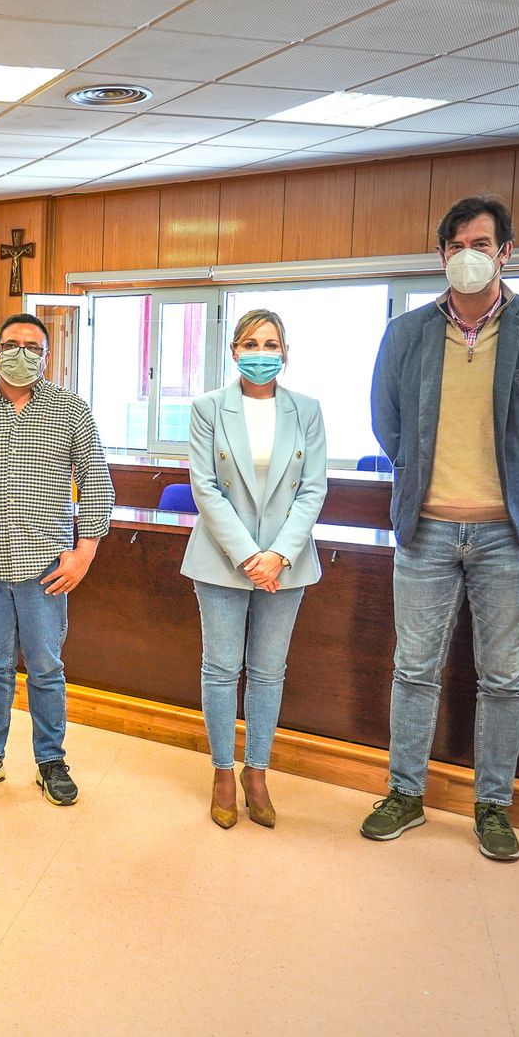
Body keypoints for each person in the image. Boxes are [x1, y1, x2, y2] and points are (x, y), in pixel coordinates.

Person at [363, 196, 519, 862]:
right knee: (413, 668)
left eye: (483, 242)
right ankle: (405, 792)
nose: (471, 253)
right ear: (441, 256)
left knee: (503, 677)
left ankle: (493, 805)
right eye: (458, 243)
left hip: (508, 534)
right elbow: (387, 416)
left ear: (506, 252)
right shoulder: (407, 334)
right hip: (427, 528)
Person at [0, 312, 114, 806]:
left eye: (33, 348)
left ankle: (50, 759)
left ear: (47, 357)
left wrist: (84, 556)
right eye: (12, 345)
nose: (21, 354)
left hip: (47, 570)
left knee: (46, 668)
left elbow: (97, 484)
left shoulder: (72, 410)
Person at [181, 309, 328, 829]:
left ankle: (257, 772)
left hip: (286, 565)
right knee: (221, 672)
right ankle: (224, 771)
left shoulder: (306, 410)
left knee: (268, 673)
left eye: (270, 343)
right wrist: (249, 556)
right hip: (222, 560)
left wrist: (278, 556)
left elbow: (313, 489)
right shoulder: (208, 408)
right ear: (234, 351)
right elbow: (206, 488)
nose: (260, 352)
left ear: (284, 353)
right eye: (250, 342)